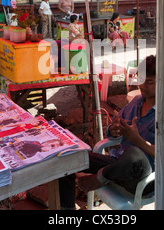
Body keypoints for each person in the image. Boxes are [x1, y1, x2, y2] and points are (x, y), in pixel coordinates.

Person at [59, 55, 156, 209]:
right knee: (67, 158)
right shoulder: (136, 101)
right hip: (115, 167)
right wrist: (114, 129)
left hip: (141, 177)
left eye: (149, 82)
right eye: (141, 79)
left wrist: (135, 139)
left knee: (133, 154)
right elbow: (113, 128)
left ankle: (98, 179)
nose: (143, 85)